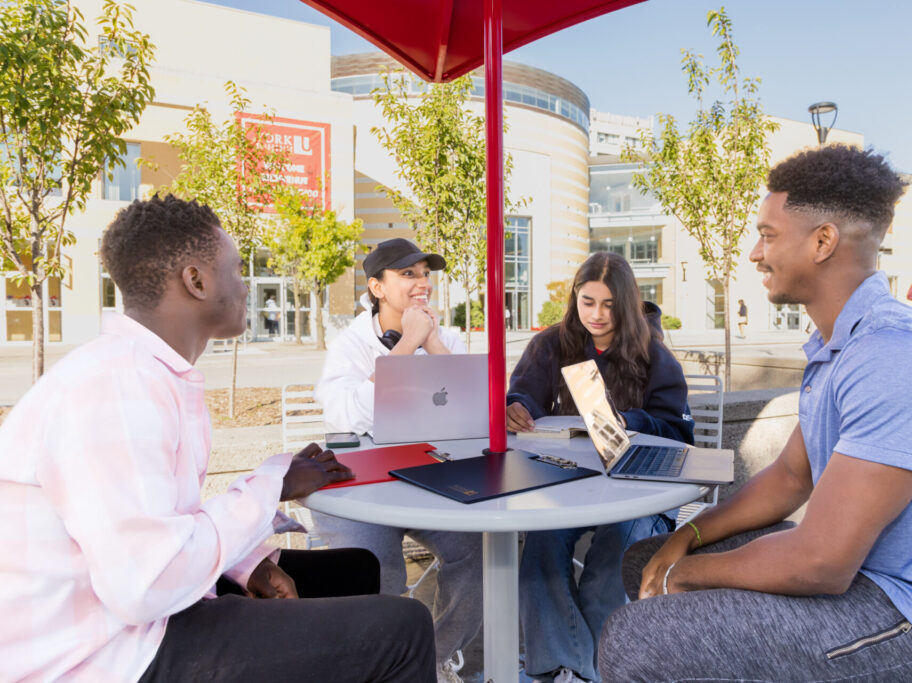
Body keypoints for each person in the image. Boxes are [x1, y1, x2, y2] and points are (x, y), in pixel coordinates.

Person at [599, 146, 912, 682]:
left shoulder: (896, 355)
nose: (754, 253)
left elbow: (822, 561)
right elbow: (792, 476)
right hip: (870, 579)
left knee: (635, 641)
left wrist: (689, 576)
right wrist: (686, 539)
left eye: (768, 235)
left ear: (822, 241)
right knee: (643, 561)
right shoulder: (840, 345)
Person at [0, 195, 434, 682]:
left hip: (133, 608)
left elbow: (162, 522)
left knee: (353, 570)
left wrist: (250, 563)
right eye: (235, 268)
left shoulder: (146, 372)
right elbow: (147, 583)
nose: (246, 284)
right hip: (102, 652)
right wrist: (270, 486)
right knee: (404, 628)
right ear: (196, 281)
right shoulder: (115, 387)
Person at [506, 251, 695, 683]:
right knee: (540, 546)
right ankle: (568, 669)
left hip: (639, 489)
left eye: (609, 305)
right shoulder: (550, 344)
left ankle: (581, 671)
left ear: (627, 303)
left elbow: (680, 436)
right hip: (567, 483)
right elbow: (525, 395)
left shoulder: (655, 356)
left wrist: (630, 421)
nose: (596, 314)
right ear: (574, 297)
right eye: (587, 301)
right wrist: (516, 407)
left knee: (615, 554)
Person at [313, 237, 482, 683]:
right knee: (377, 567)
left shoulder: (443, 335)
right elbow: (347, 414)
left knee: (478, 550)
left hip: (432, 473)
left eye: (425, 273)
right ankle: (386, 667)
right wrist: (407, 344)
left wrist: (433, 344)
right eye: (408, 274)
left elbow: (477, 409)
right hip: (365, 482)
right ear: (376, 287)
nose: (422, 282)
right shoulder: (347, 344)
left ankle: (437, 657)